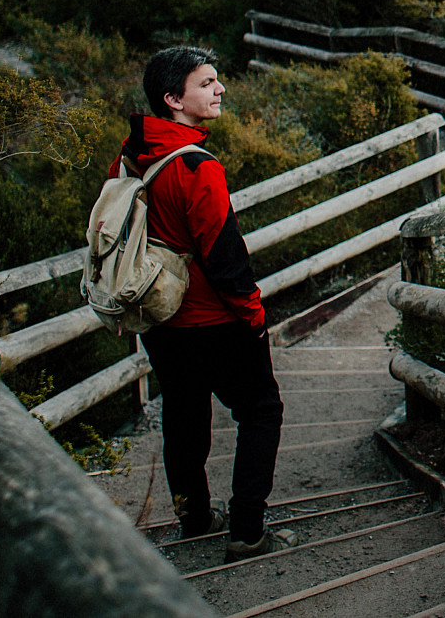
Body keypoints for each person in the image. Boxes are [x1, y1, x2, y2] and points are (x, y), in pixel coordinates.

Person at [122, 45, 293, 559]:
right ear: (174, 99)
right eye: (206, 83)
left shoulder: (132, 156)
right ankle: (246, 531)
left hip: (159, 319)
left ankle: (194, 517)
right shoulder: (197, 166)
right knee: (261, 411)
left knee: (183, 414)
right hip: (214, 318)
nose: (219, 90)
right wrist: (254, 318)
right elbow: (224, 254)